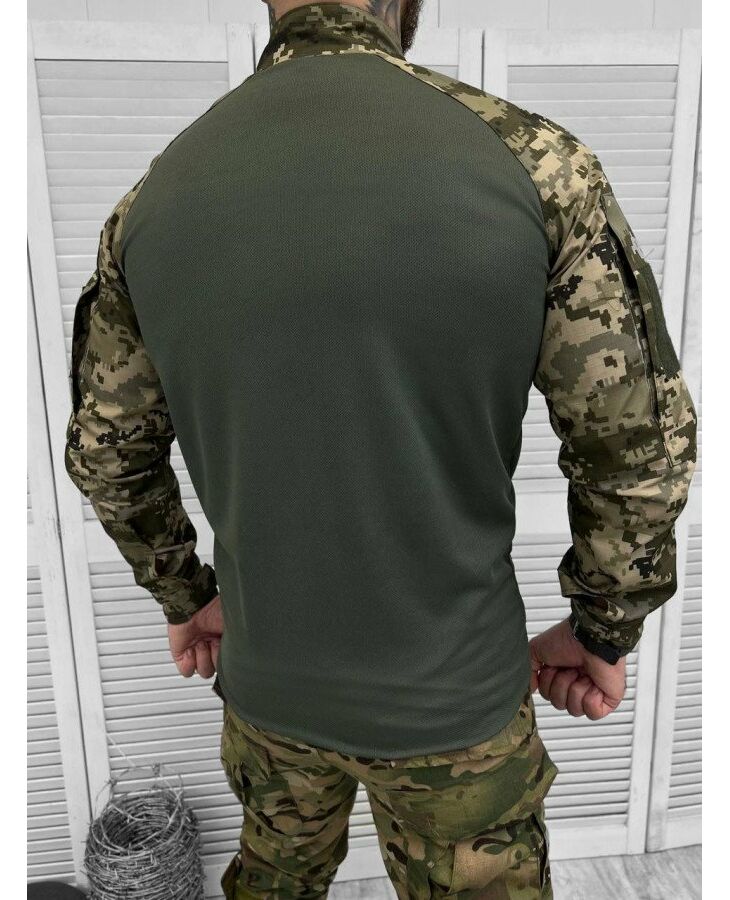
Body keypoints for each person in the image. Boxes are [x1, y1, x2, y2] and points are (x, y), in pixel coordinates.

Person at [63, 1, 698, 897]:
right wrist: (603, 627)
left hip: (270, 691)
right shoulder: (537, 168)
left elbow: (106, 453)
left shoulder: (151, 203)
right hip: (458, 709)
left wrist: (185, 595)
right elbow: (638, 452)